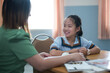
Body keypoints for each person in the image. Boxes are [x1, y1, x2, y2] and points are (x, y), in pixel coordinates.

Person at [0, 0, 86, 73]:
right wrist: (71, 56)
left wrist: (35, 56)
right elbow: (41, 65)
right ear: (21, 13)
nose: (29, 15)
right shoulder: (16, 36)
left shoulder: (3, 31)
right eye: (27, 11)